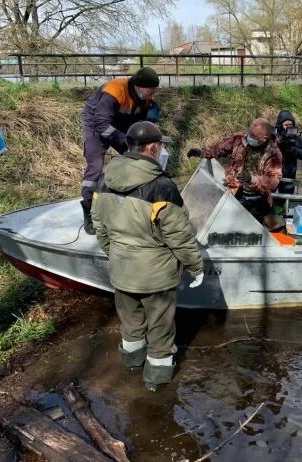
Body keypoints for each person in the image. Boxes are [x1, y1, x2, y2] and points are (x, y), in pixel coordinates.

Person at [91, 121, 204, 391]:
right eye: (161, 146)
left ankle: (132, 365)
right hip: (156, 277)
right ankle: (156, 380)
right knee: (160, 330)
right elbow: (179, 236)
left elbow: (100, 227)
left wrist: (116, 255)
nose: (162, 150)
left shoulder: (105, 178)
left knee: (131, 325)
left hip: (121, 271)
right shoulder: (162, 186)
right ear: (152, 148)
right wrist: (195, 267)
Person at [80, 67, 161, 235]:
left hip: (122, 121)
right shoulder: (115, 90)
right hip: (96, 121)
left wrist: (153, 140)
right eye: (150, 90)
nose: (153, 93)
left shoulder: (148, 100)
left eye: (155, 90)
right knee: (95, 166)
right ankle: (89, 209)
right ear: (139, 86)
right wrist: (124, 142)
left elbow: (149, 124)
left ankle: (134, 201)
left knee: (138, 159)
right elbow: (101, 123)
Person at [187, 118, 282, 222]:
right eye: (249, 133)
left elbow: (272, 181)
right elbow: (219, 149)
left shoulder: (274, 154)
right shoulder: (239, 138)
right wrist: (202, 153)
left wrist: (252, 179)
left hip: (256, 197)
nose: (249, 138)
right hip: (233, 190)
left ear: (265, 138)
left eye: (254, 137)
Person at [274, 109, 302, 200]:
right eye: (286, 125)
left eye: (291, 125)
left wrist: (293, 150)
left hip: (289, 173)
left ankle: (284, 213)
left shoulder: (296, 136)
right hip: (273, 172)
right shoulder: (274, 135)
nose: (289, 127)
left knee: (286, 200)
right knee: (269, 198)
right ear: (280, 125)